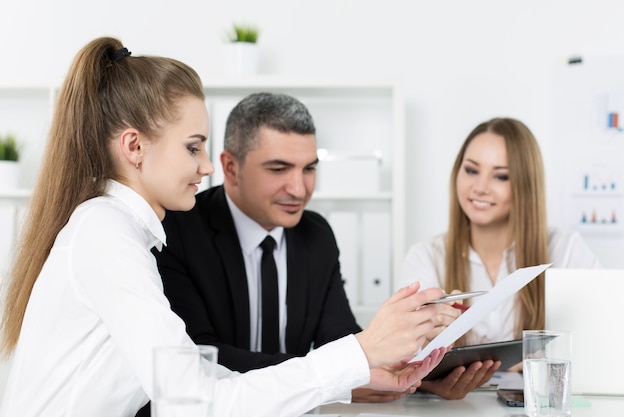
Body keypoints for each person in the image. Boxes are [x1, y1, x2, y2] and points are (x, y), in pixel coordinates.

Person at [0, 36, 448, 417]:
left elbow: (197, 371)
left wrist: (355, 374)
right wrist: (359, 353)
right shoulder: (105, 231)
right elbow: (192, 403)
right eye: (193, 148)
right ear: (134, 146)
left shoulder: (115, 230)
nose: (206, 166)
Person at [148, 92, 405, 407]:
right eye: (278, 169)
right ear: (230, 168)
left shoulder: (317, 234)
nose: (299, 189)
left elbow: (338, 340)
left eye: (309, 169)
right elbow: (200, 356)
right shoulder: (177, 230)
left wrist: (408, 367)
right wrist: (339, 376)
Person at [397, 117, 601, 399]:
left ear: (525, 185)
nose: (480, 187)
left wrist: (531, 355)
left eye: (501, 176)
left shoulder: (566, 250)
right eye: (471, 170)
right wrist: (428, 339)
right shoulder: (427, 256)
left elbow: (599, 340)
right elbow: (398, 361)